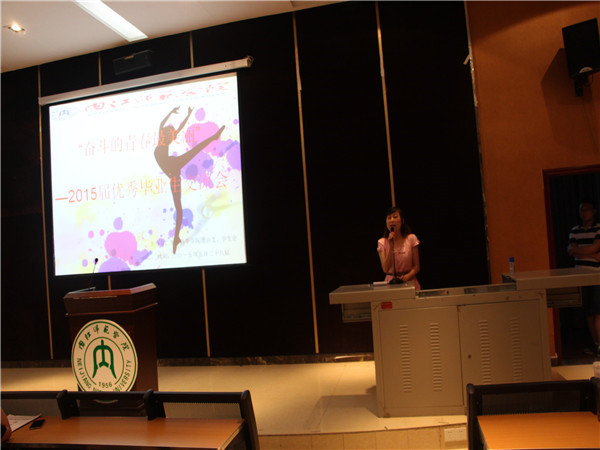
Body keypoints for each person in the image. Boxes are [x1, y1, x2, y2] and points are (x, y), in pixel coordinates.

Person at [154, 106, 225, 254]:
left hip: (173, 169)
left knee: (195, 151)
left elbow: (177, 127)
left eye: (171, 134)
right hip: (173, 171)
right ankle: (176, 238)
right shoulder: (162, 141)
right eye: (170, 133)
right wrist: (173, 112)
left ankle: (176, 238)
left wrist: (188, 114)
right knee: (178, 207)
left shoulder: (163, 142)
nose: (172, 135)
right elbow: (162, 124)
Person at [567, 200, 600, 355]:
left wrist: (580, 251)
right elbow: (571, 250)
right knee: (588, 312)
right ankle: (595, 343)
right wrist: (593, 254)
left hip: (596, 275)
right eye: (581, 210)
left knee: (597, 310)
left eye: (586, 210)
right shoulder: (575, 230)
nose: (584, 213)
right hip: (580, 275)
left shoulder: (598, 228)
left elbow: (596, 246)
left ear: (593, 211)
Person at [377, 206, 421, 289]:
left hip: (410, 281)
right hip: (391, 283)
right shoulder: (382, 242)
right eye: (389, 218)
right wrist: (391, 246)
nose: (392, 220)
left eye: (395, 217)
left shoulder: (411, 238)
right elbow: (385, 269)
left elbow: (416, 267)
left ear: (402, 221)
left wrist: (407, 276)